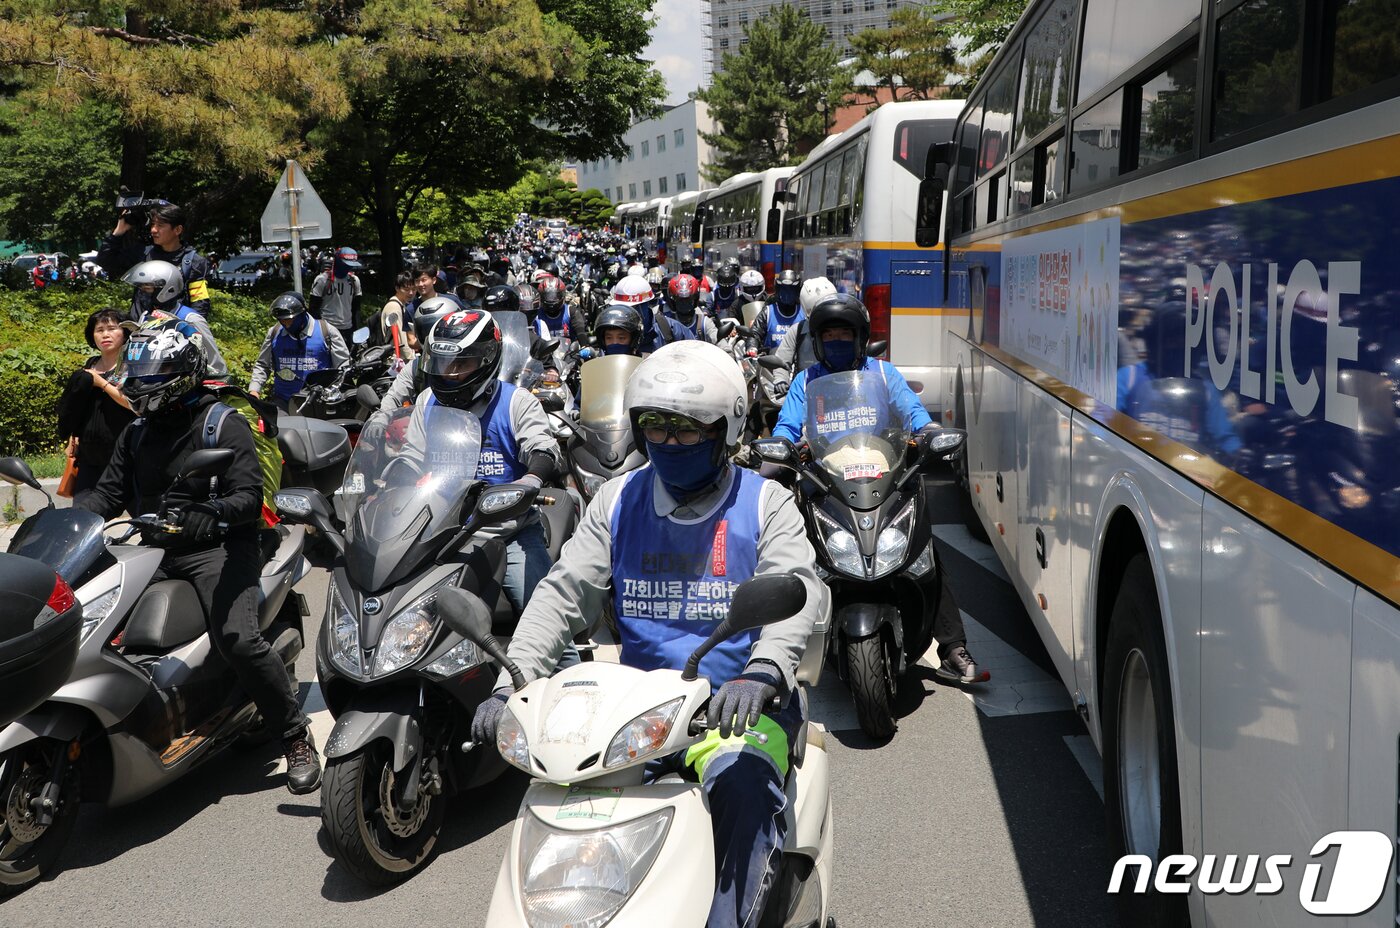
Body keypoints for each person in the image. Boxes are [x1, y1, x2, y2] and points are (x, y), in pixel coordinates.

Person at [469, 341, 827, 928]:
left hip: (737, 707)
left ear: (726, 429)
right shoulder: (617, 499)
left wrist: (762, 672)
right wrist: (515, 680)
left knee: (742, 789)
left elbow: (792, 592)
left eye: (687, 430)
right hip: (639, 712)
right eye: (654, 428)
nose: (668, 443)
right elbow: (563, 593)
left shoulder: (769, 503)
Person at [74, 318, 321, 793]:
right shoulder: (138, 433)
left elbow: (249, 497)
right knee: (84, 619)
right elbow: (105, 495)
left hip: (221, 546)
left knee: (239, 640)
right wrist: (65, 522)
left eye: (152, 377)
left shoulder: (221, 424)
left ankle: (292, 735)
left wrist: (212, 513)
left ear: (181, 375)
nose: (142, 386)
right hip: (154, 547)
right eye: (138, 376)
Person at [771, 293, 985, 684]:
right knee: (792, 554)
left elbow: (913, 412)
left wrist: (930, 433)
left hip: (884, 479)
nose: (837, 341)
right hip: (827, 484)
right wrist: (784, 445)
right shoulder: (806, 381)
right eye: (829, 335)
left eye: (844, 334)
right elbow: (786, 425)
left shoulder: (885, 375)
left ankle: (952, 646)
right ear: (817, 342)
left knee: (922, 553)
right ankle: (777, 649)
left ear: (860, 338)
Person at [411, 308, 562, 616]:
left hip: (507, 533)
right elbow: (409, 457)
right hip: (437, 533)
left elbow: (544, 449)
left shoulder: (516, 401)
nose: (448, 372)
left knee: (545, 625)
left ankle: (565, 665)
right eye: (442, 362)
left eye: (460, 363)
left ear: (486, 360)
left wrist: (531, 478)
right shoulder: (426, 400)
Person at [56, 310, 136, 506]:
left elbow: (134, 405)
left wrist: (102, 383)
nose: (105, 335)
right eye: (99, 330)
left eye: (112, 328)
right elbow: (80, 407)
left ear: (125, 333)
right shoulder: (90, 365)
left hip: (125, 455)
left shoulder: (132, 365)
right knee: (82, 517)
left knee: (143, 516)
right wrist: (73, 437)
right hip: (90, 455)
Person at [96, 201, 212, 318]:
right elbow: (105, 261)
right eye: (152, 225)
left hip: (173, 331)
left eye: (160, 225)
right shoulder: (143, 253)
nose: (153, 230)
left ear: (177, 230)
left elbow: (199, 302)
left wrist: (192, 328)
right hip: (140, 330)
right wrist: (118, 232)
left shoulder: (193, 262)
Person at [120, 260, 229, 381]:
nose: (142, 293)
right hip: (150, 387)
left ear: (168, 289)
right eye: (140, 289)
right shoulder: (146, 317)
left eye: (147, 288)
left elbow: (216, 365)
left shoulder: (189, 319)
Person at [248, 292, 351, 411]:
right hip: (283, 402)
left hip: (318, 403)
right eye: (281, 320)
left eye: (289, 320)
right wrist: (254, 389)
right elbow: (262, 365)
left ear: (302, 314)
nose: (285, 323)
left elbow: (343, 369)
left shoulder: (327, 332)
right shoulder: (274, 333)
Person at [376, 294, 464, 414]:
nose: (432, 339)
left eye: (438, 331)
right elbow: (394, 396)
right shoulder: (417, 367)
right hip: (425, 427)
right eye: (425, 332)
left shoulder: (469, 363)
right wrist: (380, 419)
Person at [772, 276, 838, 383]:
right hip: (804, 390)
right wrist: (781, 381)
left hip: (841, 388)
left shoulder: (847, 327)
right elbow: (782, 360)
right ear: (807, 310)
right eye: (818, 312)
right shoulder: (797, 330)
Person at [309, 246, 364, 344]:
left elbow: (356, 309)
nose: (348, 267)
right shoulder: (322, 280)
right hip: (326, 330)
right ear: (338, 262)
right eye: (346, 264)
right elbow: (313, 309)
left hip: (347, 329)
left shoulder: (354, 281)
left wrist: (356, 333)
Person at [748, 269, 804, 355]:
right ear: (778, 290)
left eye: (790, 291)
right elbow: (755, 333)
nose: (787, 295)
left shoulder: (804, 313)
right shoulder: (768, 312)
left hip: (798, 364)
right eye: (784, 290)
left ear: (797, 291)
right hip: (769, 365)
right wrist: (752, 347)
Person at [662, 273, 718, 344]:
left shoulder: (704, 323)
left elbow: (719, 342)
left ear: (695, 299)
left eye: (688, 299)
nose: (684, 303)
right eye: (680, 300)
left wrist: (727, 351)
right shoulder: (666, 324)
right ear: (673, 301)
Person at [380, 271, 417, 360]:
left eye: (414, 289)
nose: (411, 293)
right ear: (397, 288)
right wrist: (411, 359)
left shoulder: (401, 304)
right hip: (396, 360)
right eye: (407, 290)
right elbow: (401, 337)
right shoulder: (394, 307)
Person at [534, 276, 571, 340]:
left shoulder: (570, 311)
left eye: (554, 297)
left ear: (562, 296)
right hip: (544, 349)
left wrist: (584, 346)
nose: (551, 300)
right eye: (548, 296)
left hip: (570, 349)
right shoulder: (536, 316)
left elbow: (580, 332)